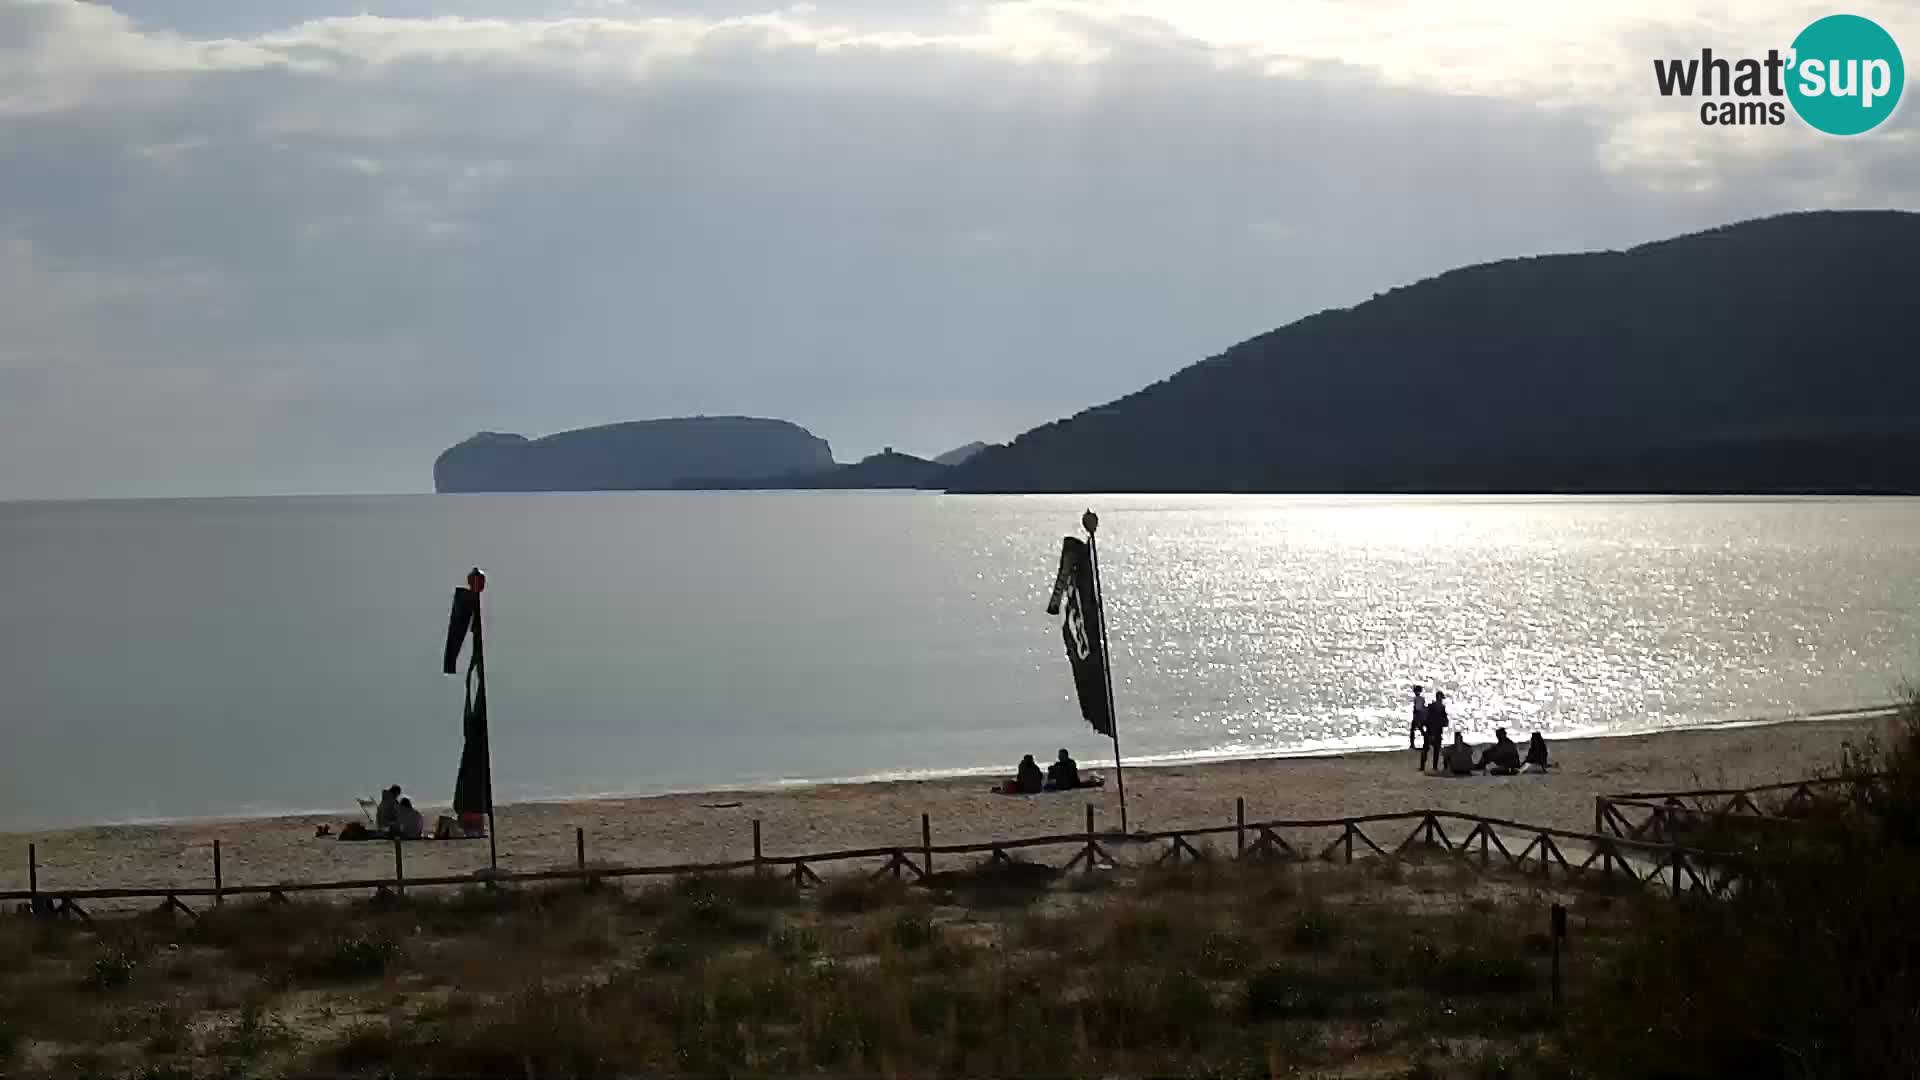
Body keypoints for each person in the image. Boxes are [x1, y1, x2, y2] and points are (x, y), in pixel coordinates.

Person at [1422, 692, 1450, 772]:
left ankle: (1426, 766)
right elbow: (1444, 721)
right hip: (1433, 731)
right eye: (1441, 698)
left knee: (1430, 749)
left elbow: (1427, 719)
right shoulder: (1438, 708)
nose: (1441, 700)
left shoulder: (1436, 707)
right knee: (1431, 749)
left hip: (1434, 731)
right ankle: (1430, 766)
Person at [1409, 685, 1428, 767]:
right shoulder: (1422, 699)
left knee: (1413, 730)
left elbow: (1418, 709)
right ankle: (1425, 743)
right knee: (1421, 730)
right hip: (1421, 716)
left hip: (1418, 717)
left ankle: (1413, 744)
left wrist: (1416, 716)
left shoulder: (1417, 699)